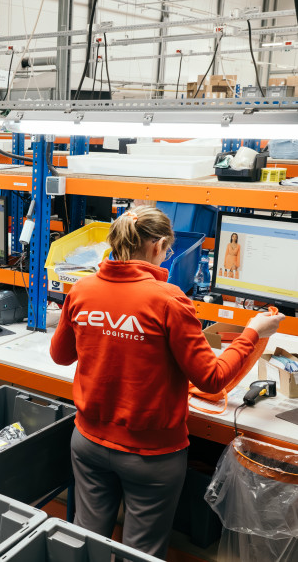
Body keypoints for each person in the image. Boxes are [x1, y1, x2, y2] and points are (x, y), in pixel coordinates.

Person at [49, 206, 284, 560]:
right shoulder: (169, 300)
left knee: (87, 539)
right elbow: (211, 378)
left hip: (89, 442)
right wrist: (252, 333)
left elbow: (61, 356)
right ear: (158, 246)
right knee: (141, 551)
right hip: (151, 456)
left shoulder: (82, 290)